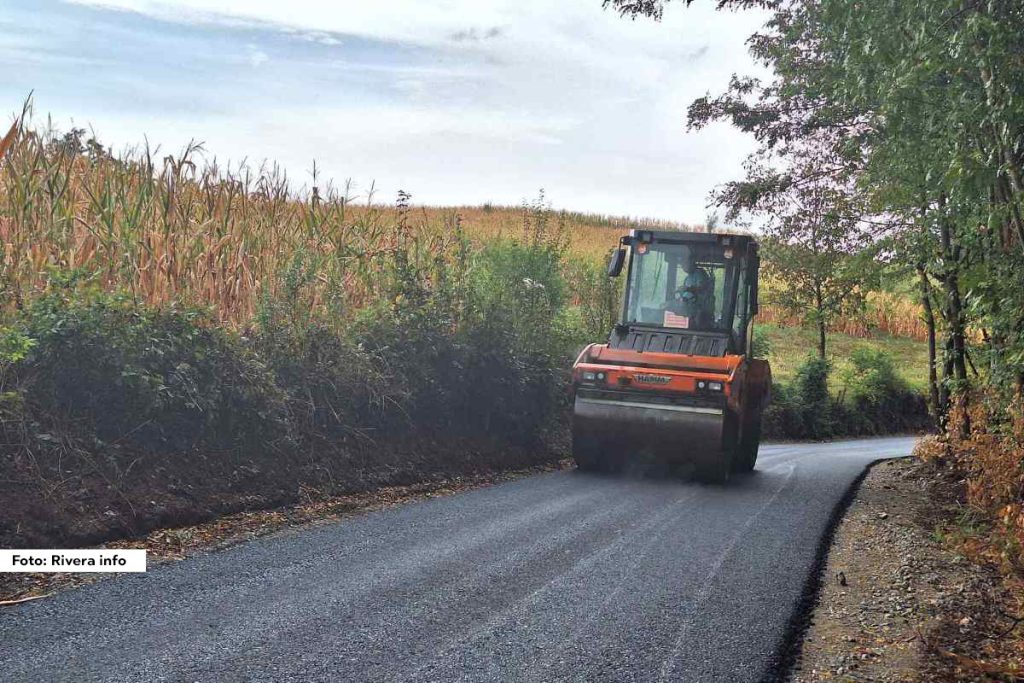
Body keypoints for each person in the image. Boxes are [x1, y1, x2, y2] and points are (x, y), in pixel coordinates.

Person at [670, 247, 714, 327]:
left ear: (691, 262)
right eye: (681, 264)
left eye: (684, 263)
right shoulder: (688, 278)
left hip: (698, 309)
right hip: (687, 308)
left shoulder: (699, 273)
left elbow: (702, 287)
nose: (683, 266)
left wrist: (687, 289)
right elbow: (685, 293)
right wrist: (679, 291)